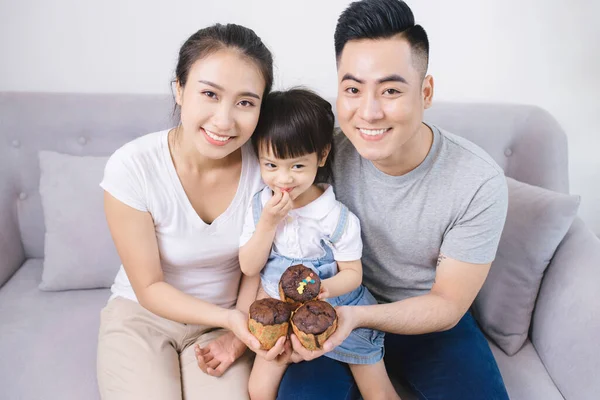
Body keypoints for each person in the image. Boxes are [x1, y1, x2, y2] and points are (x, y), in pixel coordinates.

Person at [277, 1, 510, 399]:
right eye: (352, 89)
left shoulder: (477, 181)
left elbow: (448, 304)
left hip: (429, 320)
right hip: (333, 309)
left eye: (390, 90)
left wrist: (358, 318)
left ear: (426, 91)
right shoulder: (319, 156)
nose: (368, 112)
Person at [97, 23, 282, 400]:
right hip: (142, 317)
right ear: (179, 89)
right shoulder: (133, 166)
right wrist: (230, 319)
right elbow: (148, 288)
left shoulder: (268, 169)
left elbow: (258, 265)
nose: (224, 120)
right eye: (210, 94)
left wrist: (236, 333)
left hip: (226, 323)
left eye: (245, 102)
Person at [235, 88, 399, 400]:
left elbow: (353, 274)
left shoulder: (336, 218)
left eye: (297, 166)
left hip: (339, 310)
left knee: (379, 392)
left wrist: (327, 289)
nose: (283, 179)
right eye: (271, 165)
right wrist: (268, 224)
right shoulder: (259, 208)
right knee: (257, 388)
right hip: (281, 315)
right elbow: (249, 266)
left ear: (321, 156)